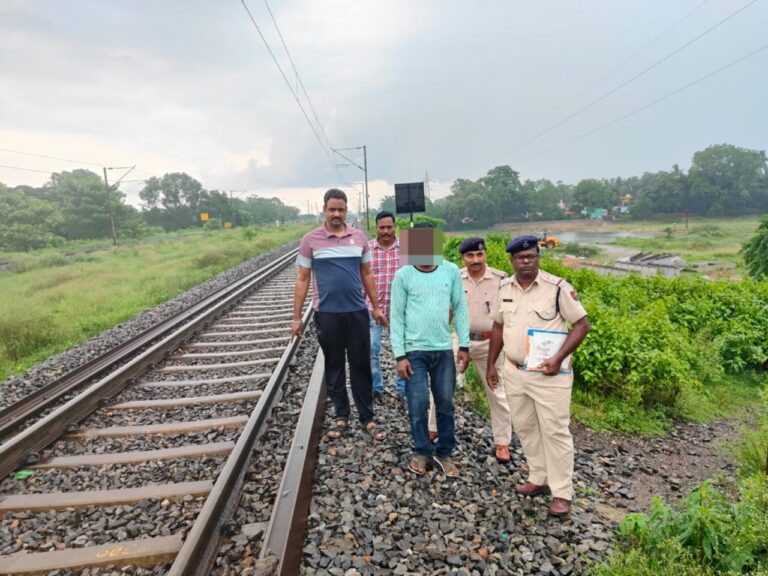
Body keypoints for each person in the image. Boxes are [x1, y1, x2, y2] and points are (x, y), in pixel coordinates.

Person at [486, 235, 590, 516]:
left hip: (549, 375)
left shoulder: (557, 288)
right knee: (526, 427)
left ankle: (562, 492)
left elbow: (582, 324)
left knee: (554, 430)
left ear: (538, 257)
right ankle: (538, 478)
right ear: (511, 260)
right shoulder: (504, 287)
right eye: (520, 258)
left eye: (531, 256)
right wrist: (491, 364)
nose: (526, 262)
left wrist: (558, 358)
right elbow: (498, 326)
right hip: (514, 371)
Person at [292, 188, 388, 440]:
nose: (336, 214)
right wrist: (295, 317)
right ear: (324, 210)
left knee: (361, 365)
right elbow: (302, 279)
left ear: (346, 211)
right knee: (334, 366)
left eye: (341, 209)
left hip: (356, 312)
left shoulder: (359, 238)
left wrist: (376, 307)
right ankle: (341, 415)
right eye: (332, 209)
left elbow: (367, 273)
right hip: (327, 314)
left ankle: (367, 417)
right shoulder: (310, 240)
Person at [390, 224, 470, 478]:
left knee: (445, 402)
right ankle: (422, 450)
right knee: (418, 402)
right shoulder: (403, 275)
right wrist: (400, 355)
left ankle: (445, 452)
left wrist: (464, 345)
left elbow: (461, 308)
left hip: (443, 350)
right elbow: (396, 317)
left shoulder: (451, 271)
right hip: (414, 352)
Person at [440, 237, 514, 463]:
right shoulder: (455, 277)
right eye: (470, 256)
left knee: (497, 391)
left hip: (490, 343)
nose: (475, 260)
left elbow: (508, 316)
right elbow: (449, 310)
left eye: (479, 255)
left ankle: (502, 442)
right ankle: (434, 428)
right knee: (441, 386)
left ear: (486, 255)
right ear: (462, 258)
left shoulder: (501, 280)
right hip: (459, 340)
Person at [366, 211, 406, 400]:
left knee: (404, 350)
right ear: (376, 228)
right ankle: (376, 387)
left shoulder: (408, 246)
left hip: (401, 310)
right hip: (373, 310)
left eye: (389, 227)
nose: (386, 231)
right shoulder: (366, 249)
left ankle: (403, 389)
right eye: (382, 227)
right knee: (372, 349)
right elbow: (360, 278)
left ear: (395, 227)